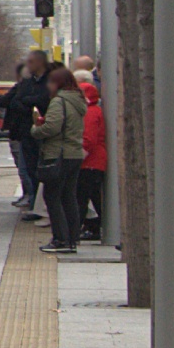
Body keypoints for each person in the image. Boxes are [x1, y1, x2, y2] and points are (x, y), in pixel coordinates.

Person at [32, 67, 87, 254]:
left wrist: (36, 129)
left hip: (58, 154)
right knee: (69, 197)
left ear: (58, 83)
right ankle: (72, 238)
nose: (48, 86)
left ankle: (61, 239)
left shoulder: (58, 102)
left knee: (52, 196)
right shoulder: (77, 101)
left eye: (51, 82)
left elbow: (52, 128)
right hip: (74, 154)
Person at [1, 51, 51, 219]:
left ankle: (40, 206)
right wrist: (27, 103)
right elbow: (15, 100)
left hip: (41, 133)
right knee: (30, 169)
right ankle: (35, 204)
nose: (28, 65)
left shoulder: (49, 81)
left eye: (31, 62)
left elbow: (43, 100)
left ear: (39, 62)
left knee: (40, 170)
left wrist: (26, 102)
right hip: (26, 133)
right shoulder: (28, 82)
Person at [76, 74, 106, 241]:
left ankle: (79, 229)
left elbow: (88, 139)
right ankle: (93, 228)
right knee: (91, 196)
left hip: (90, 162)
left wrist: (77, 158)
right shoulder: (94, 111)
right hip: (95, 161)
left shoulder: (89, 113)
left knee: (82, 197)